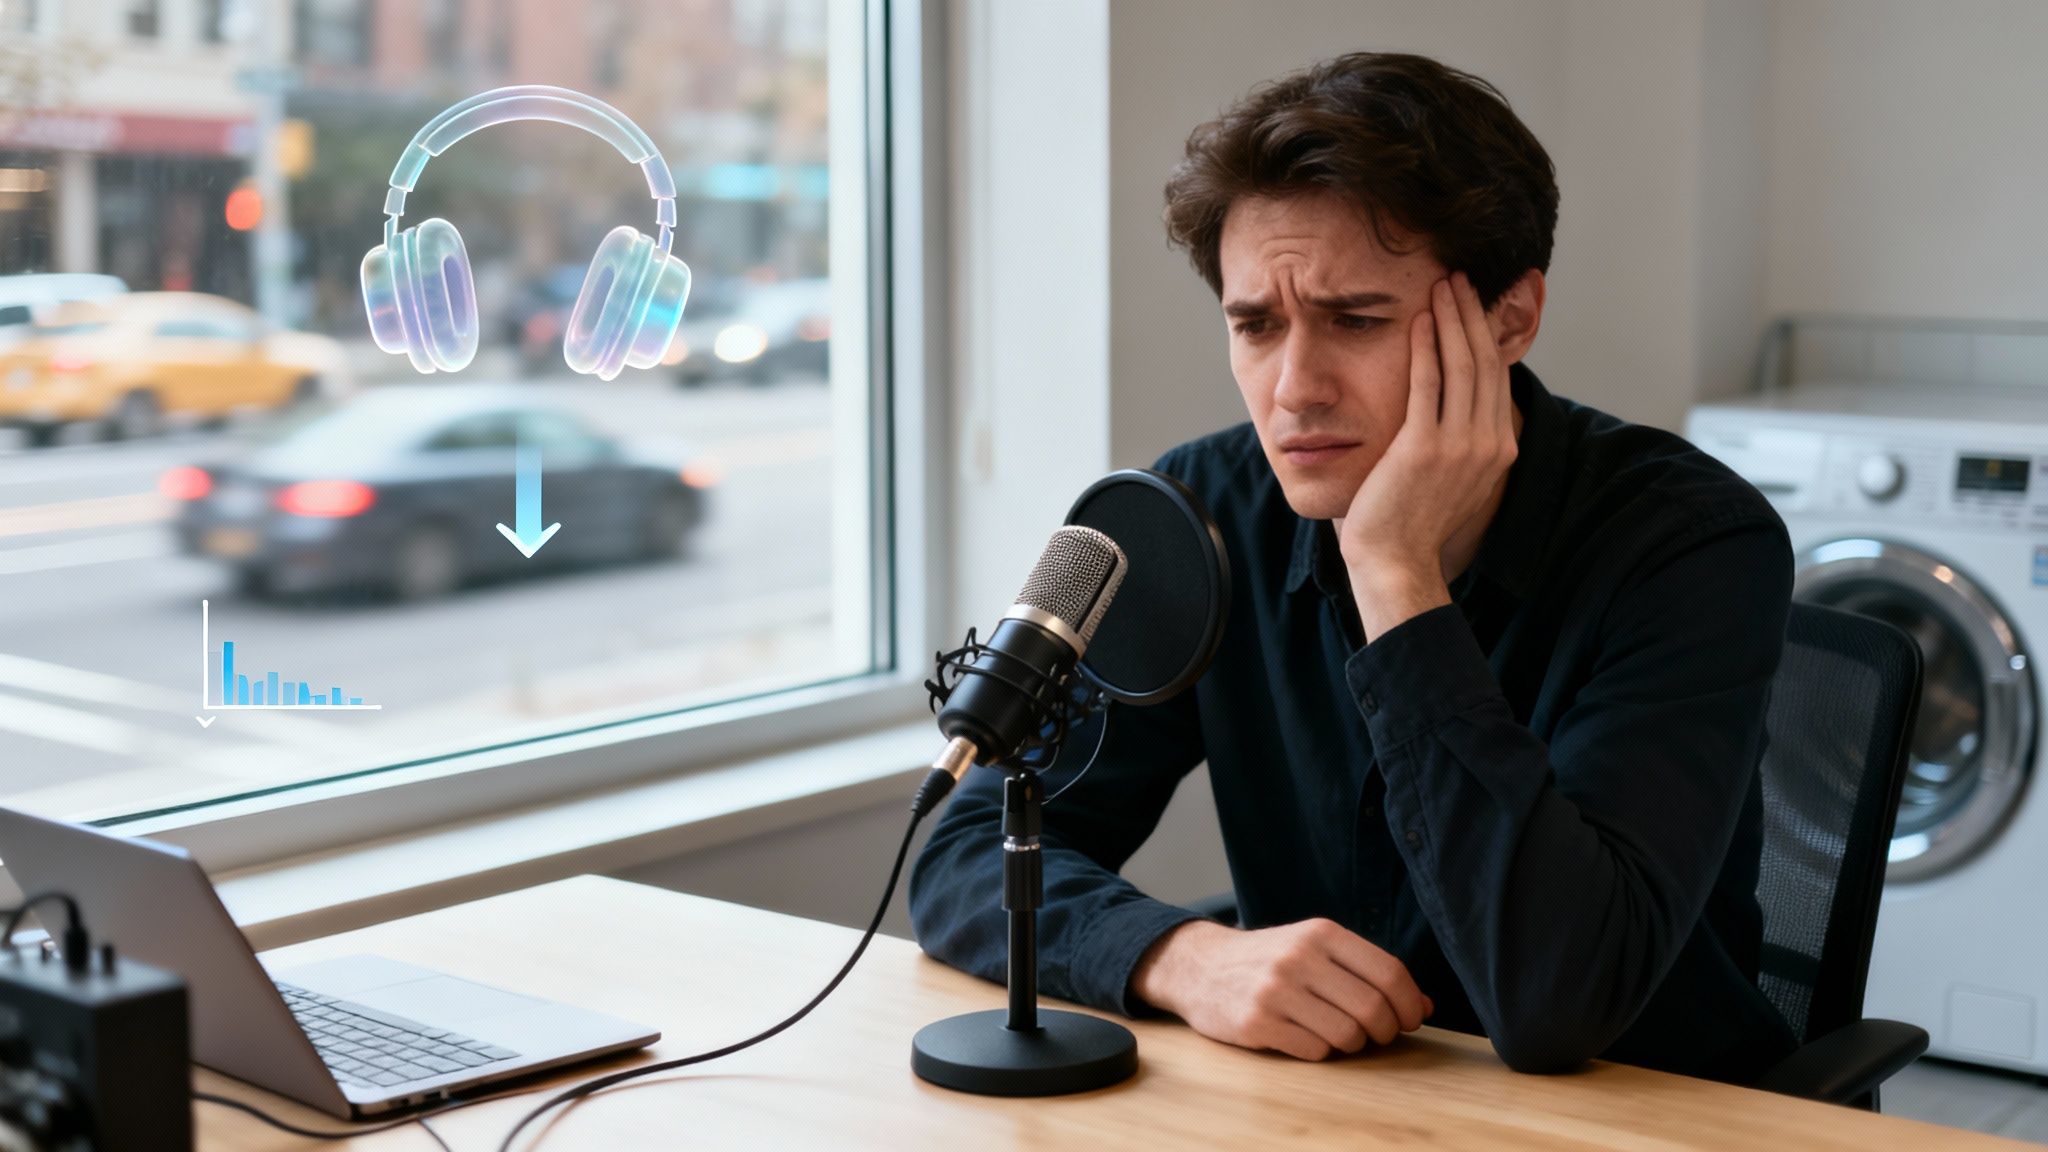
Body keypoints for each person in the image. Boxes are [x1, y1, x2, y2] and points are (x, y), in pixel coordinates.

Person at [908, 51, 1797, 1082]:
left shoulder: (1689, 542)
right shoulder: (1201, 514)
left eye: (1355, 320)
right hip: (1335, 1101)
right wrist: (1180, 956)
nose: (1294, 389)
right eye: (1256, 326)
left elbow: (1557, 1003)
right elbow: (963, 854)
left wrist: (1393, 572)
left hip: (1648, 1111)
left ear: (1509, 317)